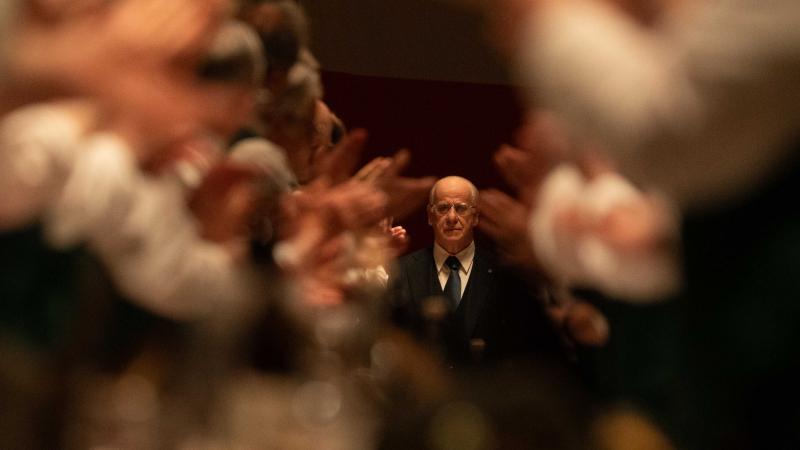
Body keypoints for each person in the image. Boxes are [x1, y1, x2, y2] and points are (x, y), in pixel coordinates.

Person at [389, 176, 563, 367]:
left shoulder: (505, 271)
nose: (452, 218)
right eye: (443, 208)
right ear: (430, 216)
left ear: (476, 217)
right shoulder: (401, 270)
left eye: (461, 208)